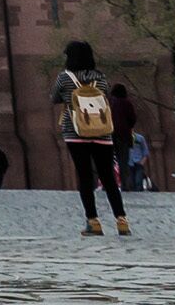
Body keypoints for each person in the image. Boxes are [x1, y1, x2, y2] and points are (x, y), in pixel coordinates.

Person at [51, 40, 127, 237]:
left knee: (85, 176)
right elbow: (105, 96)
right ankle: (122, 221)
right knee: (108, 177)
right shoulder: (100, 78)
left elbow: (54, 98)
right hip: (102, 131)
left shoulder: (64, 78)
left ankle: (93, 222)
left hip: (75, 131)